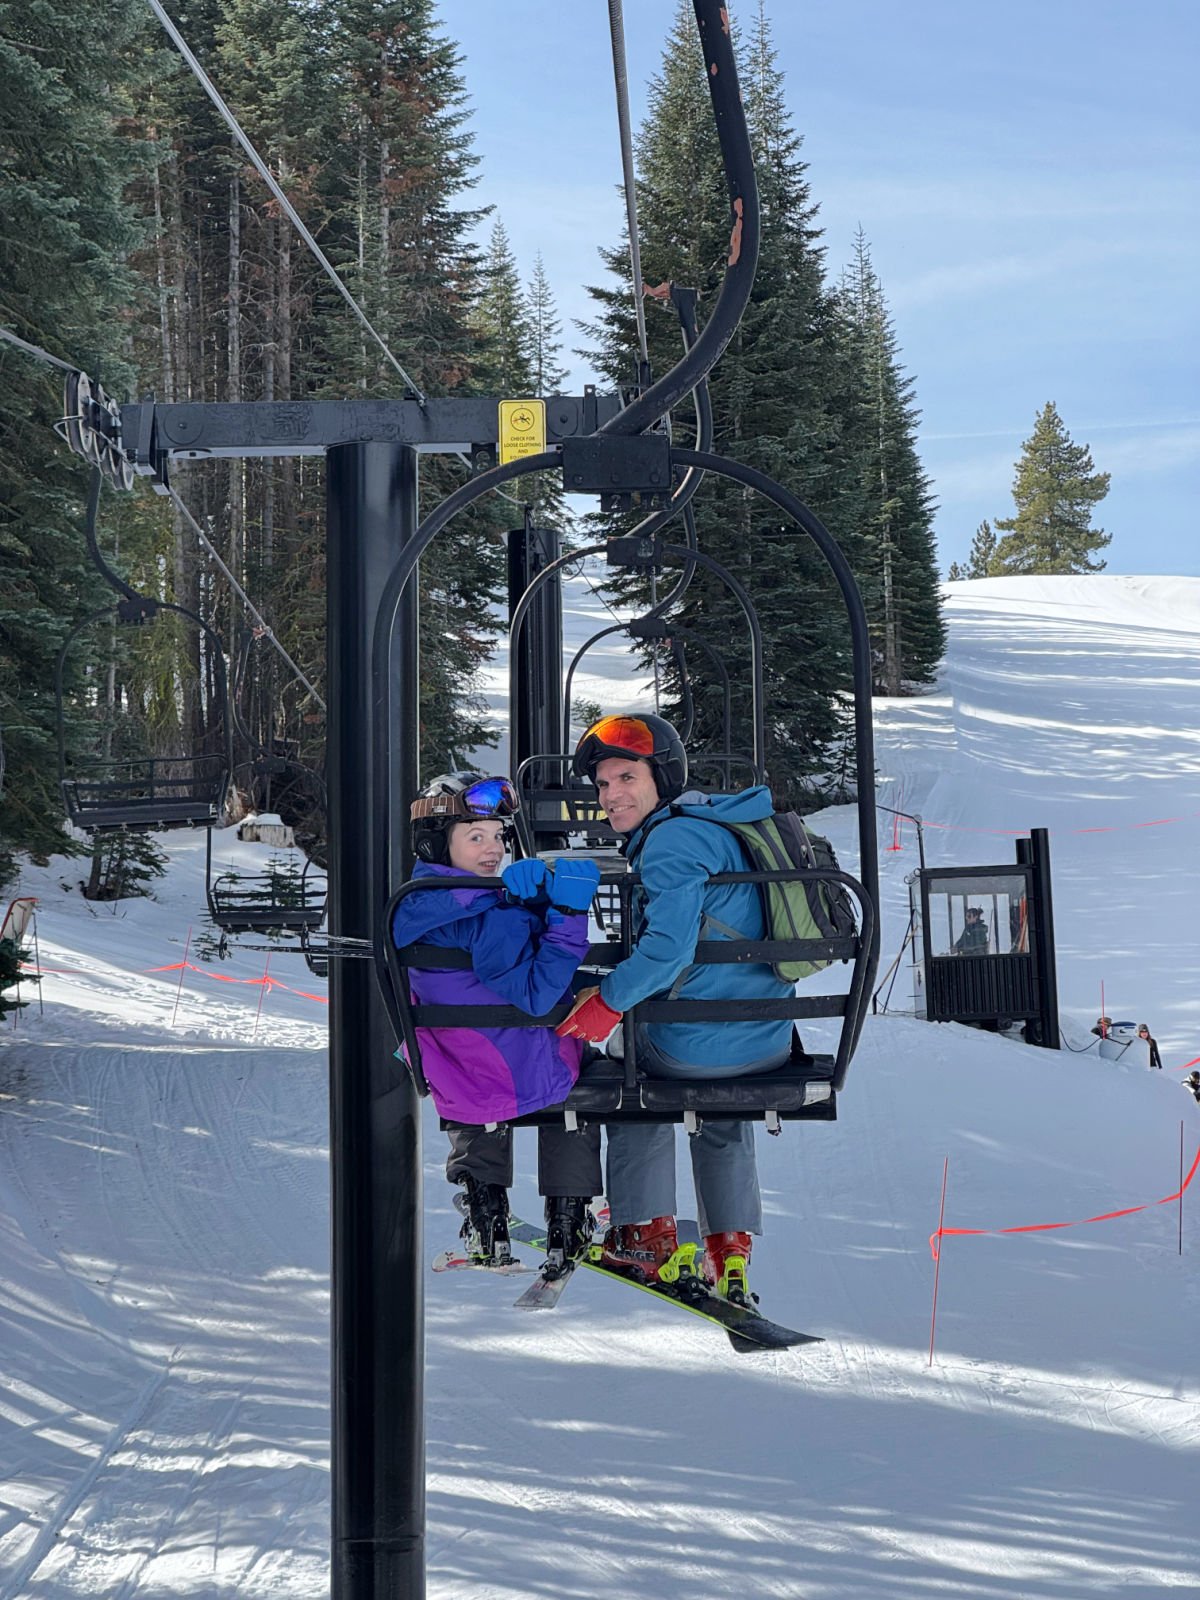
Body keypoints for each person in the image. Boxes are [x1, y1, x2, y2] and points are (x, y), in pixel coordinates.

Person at [556, 713, 795, 1305]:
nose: (611, 795)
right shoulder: (720, 826)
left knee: (627, 1069)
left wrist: (606, 1002)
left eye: (626, 778)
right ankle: (729, 1249)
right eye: (603, 784)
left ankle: (645, 1231)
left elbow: (667, 950)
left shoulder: (670, 843)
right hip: (764, 1041)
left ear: (661, 778)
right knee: (719, 1097)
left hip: (693, 1048)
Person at [390, 772, 601, 1269]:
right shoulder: (494, 915)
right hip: (520, 1069)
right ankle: (569, 1213)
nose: (494, 849)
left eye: (498, 836)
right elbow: (536, 995)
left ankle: (485, 1206)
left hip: (454, 1068)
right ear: (437, 844)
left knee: (476, 1079)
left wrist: (521, 899)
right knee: (580, 1069)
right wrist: (565, 915)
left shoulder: (413, 904)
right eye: (476, 837)